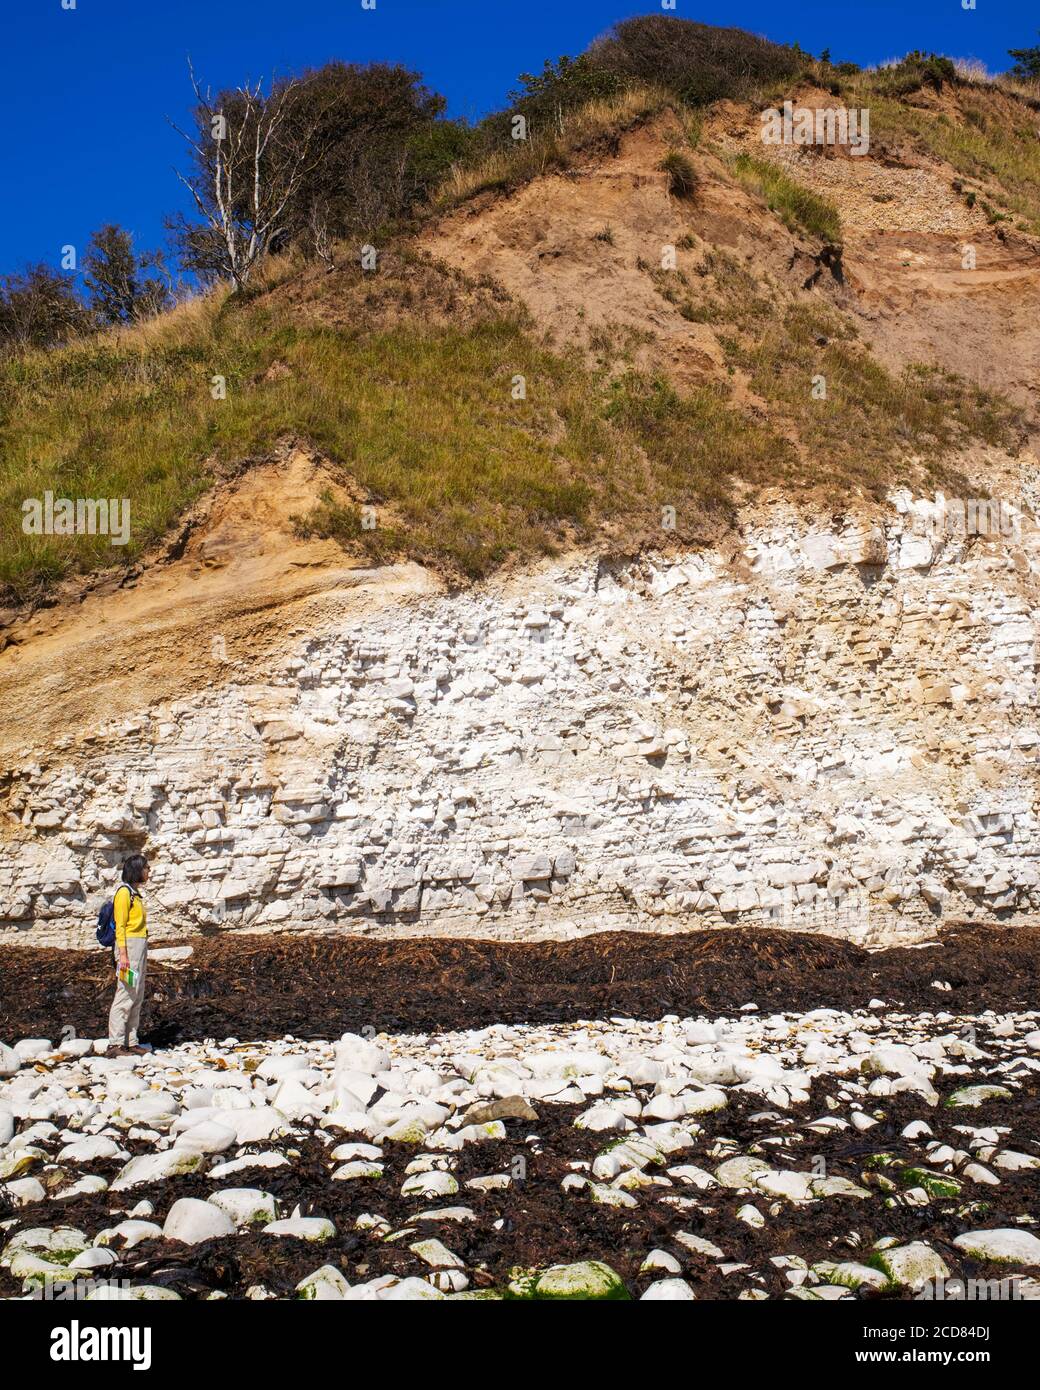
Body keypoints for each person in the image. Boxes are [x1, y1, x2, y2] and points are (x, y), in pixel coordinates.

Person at [107, 854, 150, 1054]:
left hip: (139, 946)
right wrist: (122, 955)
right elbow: (120, 927)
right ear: (136, 869)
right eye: (146, 867)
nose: (148, 871)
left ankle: (131, 1041)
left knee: (137, 993)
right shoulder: (124, 893)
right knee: (125, 992)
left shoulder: (135, 893)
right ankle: (115, 1043)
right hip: (129, 948)